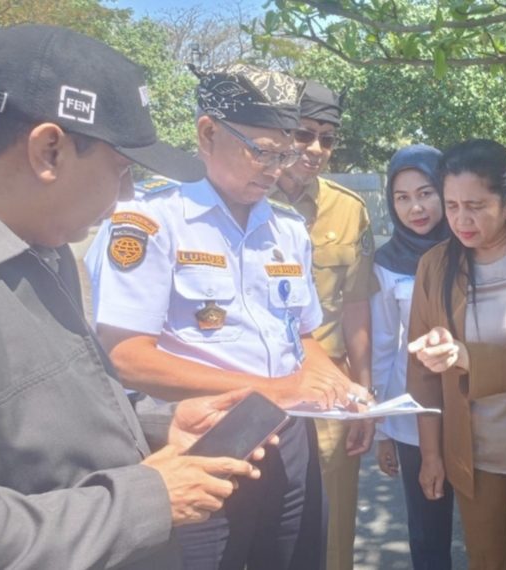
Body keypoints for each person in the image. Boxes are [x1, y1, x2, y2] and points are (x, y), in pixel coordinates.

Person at [0, 24, 265, 569]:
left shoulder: (45, 251)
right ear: (49, 150)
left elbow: (40, 437)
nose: (128, 198)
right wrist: (152, 497)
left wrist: (159, 434)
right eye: (123, 170)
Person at [86, 63, 369, 570]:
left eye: (284, 154)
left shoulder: (286, 229)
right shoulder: (150, 220)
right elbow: (125, 357)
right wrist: (266, 390)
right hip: (197, 440)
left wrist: (340, 385)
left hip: (288, 436)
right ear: (208, 133)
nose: (275, 169)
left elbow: (301, 336)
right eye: (262, 150)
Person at [406, 139, 506, 569]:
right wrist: (431, 455)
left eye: (476, 206)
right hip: (475, 459)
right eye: (453, 204)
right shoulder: (436, 266)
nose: (462, 219)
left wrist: (468, 358)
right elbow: (422, 377)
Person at [267, 80, 377, 570]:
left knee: (332, 537)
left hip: (330, 393)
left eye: (327, 138)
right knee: (258, 531)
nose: (315, 149)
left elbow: (355, 307)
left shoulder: (348, 210)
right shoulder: (242, 199)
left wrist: (364, 396)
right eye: (303, 134)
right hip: (254, 393)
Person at [371, 144, 456, 569]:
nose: (415, 207)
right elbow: (384, 349)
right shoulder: (386, 263)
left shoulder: (470, 248)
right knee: (427, 531)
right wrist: (383, 429)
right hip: (411, 420)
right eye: (402, 197)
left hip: (472, 411)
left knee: (490, 530)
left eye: (425, 192)